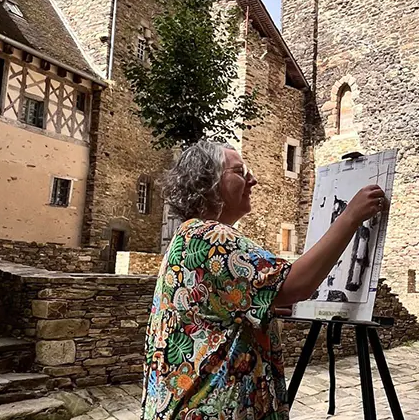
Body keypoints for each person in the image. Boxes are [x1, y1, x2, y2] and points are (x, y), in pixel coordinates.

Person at [142, 140, 386, 420]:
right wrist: (350, 216)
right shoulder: (210, 237)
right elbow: (296, 283)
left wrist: (264, 303)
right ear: (207, 181)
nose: (253, 179)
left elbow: (217, 309)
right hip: (206, 409)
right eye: (240, 171)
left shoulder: (188, 236)